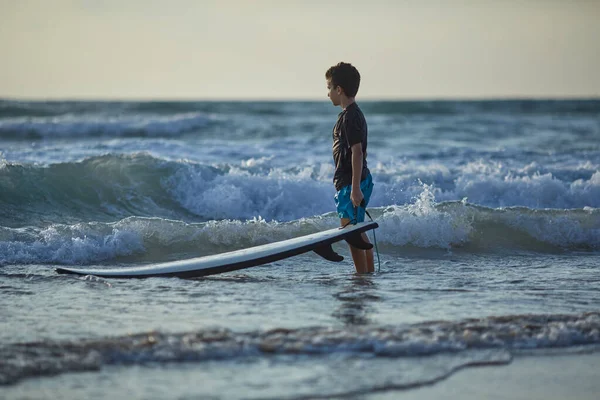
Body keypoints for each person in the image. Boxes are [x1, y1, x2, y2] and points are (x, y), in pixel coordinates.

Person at [325, 62, 374, 274]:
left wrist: (354, 188)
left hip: (351, 184)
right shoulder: (352, 114)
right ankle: (368, 275)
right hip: (357, 180)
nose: (327, 93)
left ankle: (361, 278)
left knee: (351, 232)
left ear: (339, 89)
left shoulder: (350, 116)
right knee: (357, 230)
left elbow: (357, 151)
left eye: (329, 87)